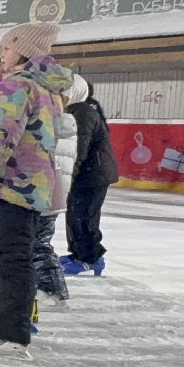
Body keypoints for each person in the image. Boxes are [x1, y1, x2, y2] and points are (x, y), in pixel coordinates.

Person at [0, 23, 72, 359]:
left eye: (7, 48)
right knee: (11, 255)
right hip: (34, 184)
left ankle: (10, 333)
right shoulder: (47, 88)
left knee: (8, 257)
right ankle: (2, 323)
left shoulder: (17, 85)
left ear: (24, 51)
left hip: (13, 183)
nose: (1, 55)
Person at [33, 71, 84, 308]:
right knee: (38, 242)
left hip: (47, 192)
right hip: (49, 191)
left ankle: (54, 289)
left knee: (39, 243)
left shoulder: (61, 122)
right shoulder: (62, 121)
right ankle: (47, 286)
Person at [61, 78, 117, 276]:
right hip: (86, 173)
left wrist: (70, 174)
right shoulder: (75, 111)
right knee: (75, 215)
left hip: (93, 174)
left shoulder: (83, 113)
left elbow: (79, 148)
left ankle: (91, 258)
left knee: (84, 216)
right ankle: (78, 253)